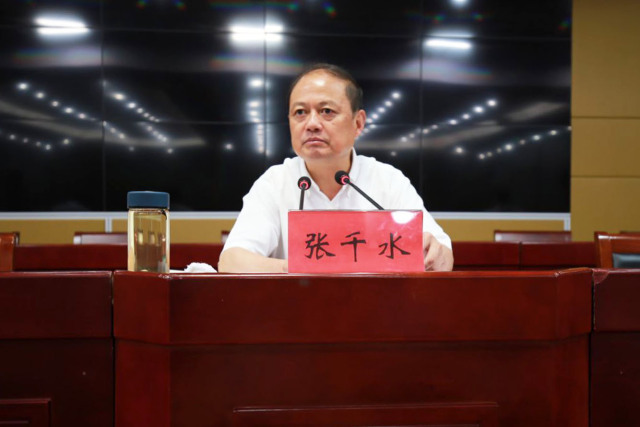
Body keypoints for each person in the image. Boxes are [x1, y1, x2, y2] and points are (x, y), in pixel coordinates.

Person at [218, 63, 454, 273]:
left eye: (326, 111)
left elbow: (442, 256)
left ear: (358, 123)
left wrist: (436, 254)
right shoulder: (274, 183)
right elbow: (231, 260)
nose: (312, 124)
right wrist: (298, 268)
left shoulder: (388, 181)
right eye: (300, 112)